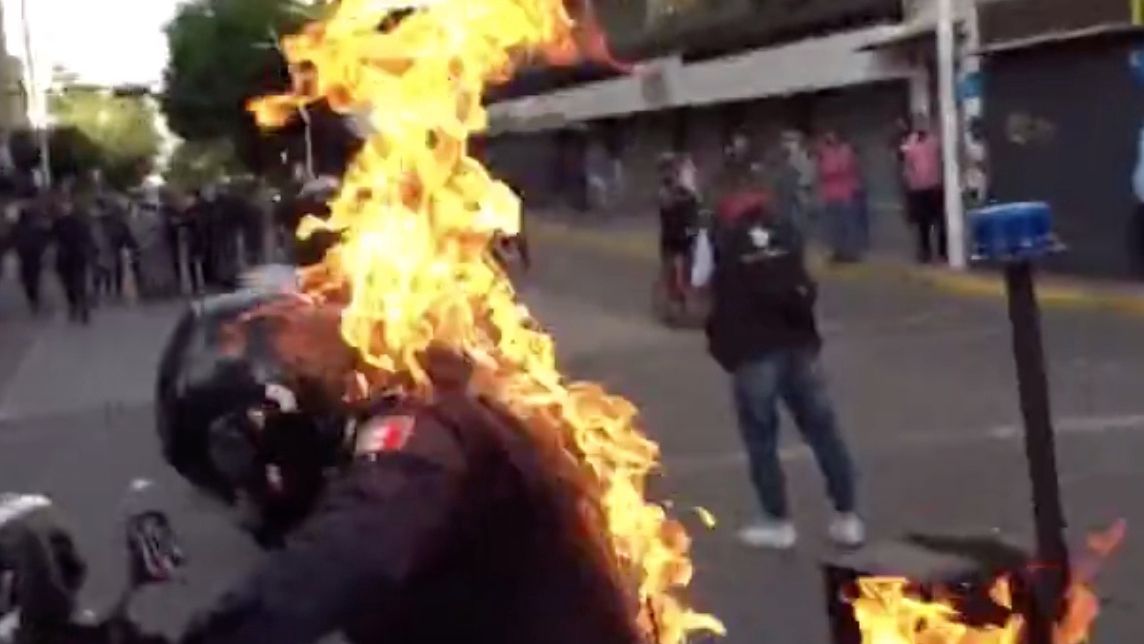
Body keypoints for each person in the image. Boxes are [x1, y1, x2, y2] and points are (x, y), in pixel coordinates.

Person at [147, 290, 645, 644]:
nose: (246, 503)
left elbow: (349, 554)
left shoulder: (423, 429)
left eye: (239, 480)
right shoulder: (369, 439)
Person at [695, 155, 863, 550]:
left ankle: (777, 521)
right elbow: (802, 276)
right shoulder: (785, 226)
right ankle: (848, 516)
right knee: (823, 430)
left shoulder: (718, 232)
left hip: (753, 348)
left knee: (761, 437)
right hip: (797, 342)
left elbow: (700, 284)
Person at [656, 153, 700, 306]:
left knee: (680, 264)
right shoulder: (668, 190)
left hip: (680, 233)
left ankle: (675, 297)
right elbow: (668, 205)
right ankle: (668, 299)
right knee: (672, 265)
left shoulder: (680, 189)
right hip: (675, 233)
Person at [900, 119, 946, 263]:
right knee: (923, 223)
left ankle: (943, 252)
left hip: (935, 186)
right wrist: (908, 181)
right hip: (918, 187)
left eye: (923, 123)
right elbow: (905, 163)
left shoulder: (934, 141)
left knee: (940, 221)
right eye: (918, 124)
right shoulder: (909, 142)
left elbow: (942, 159)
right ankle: (925, 252)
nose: (920, 127)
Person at [816, 131, 864, 262]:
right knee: (835, 226)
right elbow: (823, 172)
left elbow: (838, 169)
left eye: (831, 138)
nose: (829, 140)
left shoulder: (845, 151)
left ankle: (850, 253)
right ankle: (838, 251)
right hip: (831, 194)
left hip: (845, 193)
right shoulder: (825, 152)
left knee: (847, 225)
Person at [50, 191, 95, 325]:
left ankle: (82, 308)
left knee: (78, 283)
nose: (64, 207)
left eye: (66, 204)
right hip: (65, 258)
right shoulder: (58, 223)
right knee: (69, 284)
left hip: (76, 257)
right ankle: (75, 305)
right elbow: (53, 239)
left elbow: (86, 239)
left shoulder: (79, 222)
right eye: (63, 205)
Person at [10, 196, 51, 314]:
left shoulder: (19, 227)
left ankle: (34, 300)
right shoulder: (34, 225)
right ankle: (35, 299)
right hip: (31, 256)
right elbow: (46, 237)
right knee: (33, 279)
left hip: (28, 256)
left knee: (29, 279)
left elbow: (11, 240)